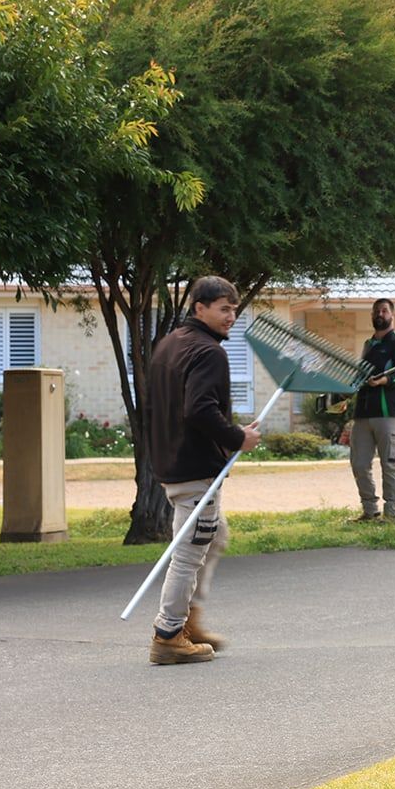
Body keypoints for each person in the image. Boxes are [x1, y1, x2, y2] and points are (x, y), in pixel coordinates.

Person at [146, 276, 260, 665]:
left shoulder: (169, 345)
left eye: (234, 309)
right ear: (199, 308)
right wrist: (236, 436)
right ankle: (169, 633)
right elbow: (198, 410)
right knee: (190, 551)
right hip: (194, 467)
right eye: (224, 308)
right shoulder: (209, 352)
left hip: (171, 463)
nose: (232, 316)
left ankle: (190, 621)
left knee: (215, 536)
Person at [348, 297, 395, 522]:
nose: (380, 314)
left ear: (392, 315)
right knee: (359, 463)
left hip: (390, 415)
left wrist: (385, 379)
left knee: (390, 464)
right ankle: (369, 510)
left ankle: (391, 514)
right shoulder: (369, 345)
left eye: (384, 311)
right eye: (376, 311)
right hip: (363, 414)